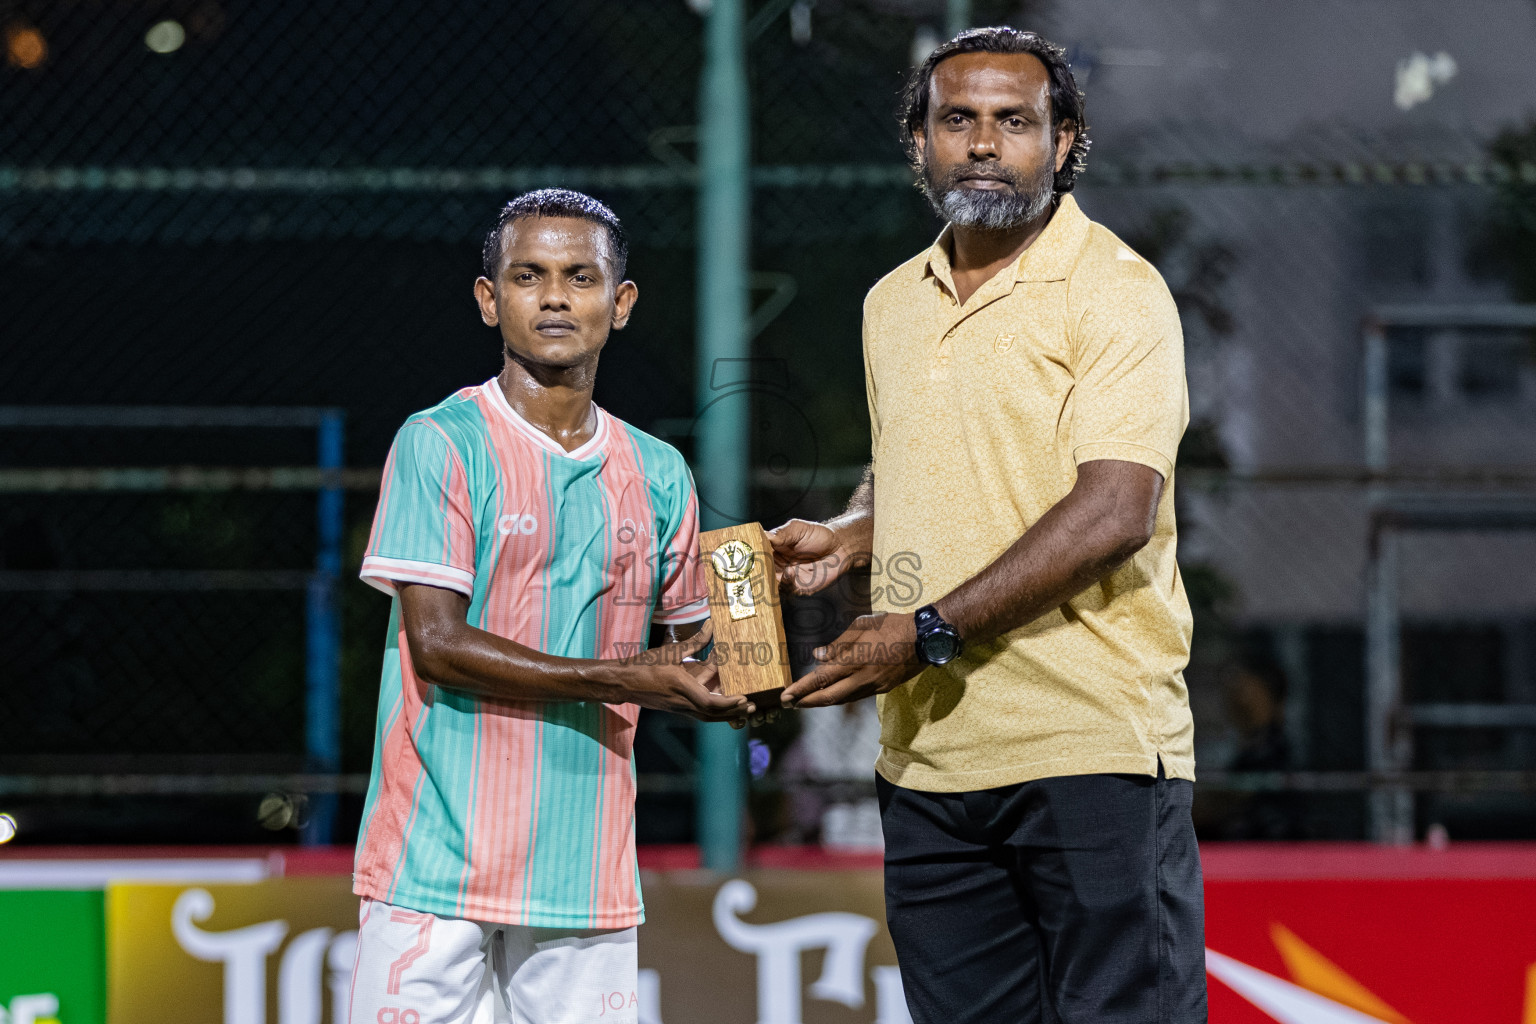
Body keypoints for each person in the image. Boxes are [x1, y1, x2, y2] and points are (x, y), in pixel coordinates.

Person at [768, 28, 1208, 1023]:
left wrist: (928, 630)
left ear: (1062, 142)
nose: (981, 143)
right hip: (930, 761)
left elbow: (1115, 510)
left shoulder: (1117, 291)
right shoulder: (891, 303)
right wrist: (852, 532)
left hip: (1091, 748)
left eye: (1014, 121)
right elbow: (925, 466)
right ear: (917, 141)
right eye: (956, 119)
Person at [348, 189, 754, 1024]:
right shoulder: (440, 442)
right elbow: (439, 646)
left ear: (621, 302)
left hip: (583, 871)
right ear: (489, 299)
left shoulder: (659, 470)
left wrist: (763, 611)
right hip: (432, 864)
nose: (556, 297)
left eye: (581, 276)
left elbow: (710, 659)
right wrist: (627, 678)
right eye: (529, 276)